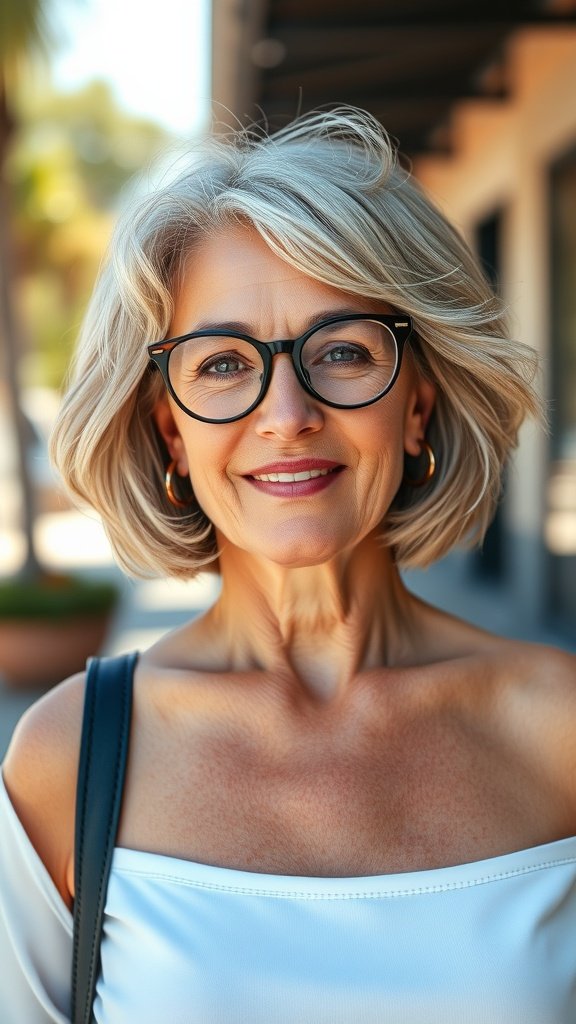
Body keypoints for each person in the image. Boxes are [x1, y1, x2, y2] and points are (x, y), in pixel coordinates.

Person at [1, 106, 575, 1024]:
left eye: (342, 350)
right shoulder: (69, 758)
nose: (287, 412)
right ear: (170, 432)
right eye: (224, 363)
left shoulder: (561, 728)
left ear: (420, 402)